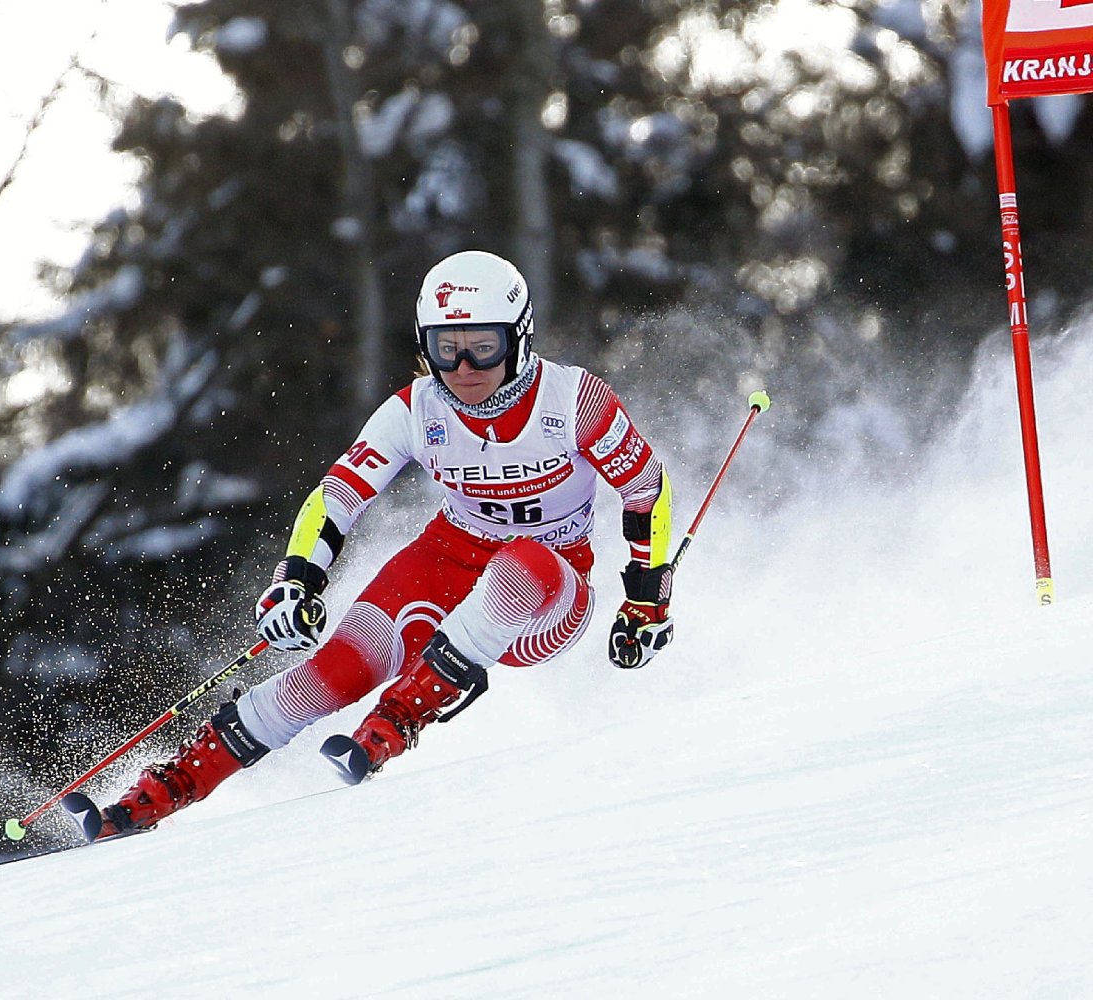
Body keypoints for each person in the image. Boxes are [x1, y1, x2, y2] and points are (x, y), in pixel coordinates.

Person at [85, 250, 676, 839]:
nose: (465, 366)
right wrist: (297, 579)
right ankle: (163, 791)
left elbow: (647, 489)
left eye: (484, 346)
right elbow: (338, 494)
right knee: (332, 672)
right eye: (447, 348)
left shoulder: (573, 401)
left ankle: (400, 716)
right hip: (447, 558)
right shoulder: (416, 409)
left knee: (523, 562)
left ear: (519, 339)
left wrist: (647, 602)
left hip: (551, 590)